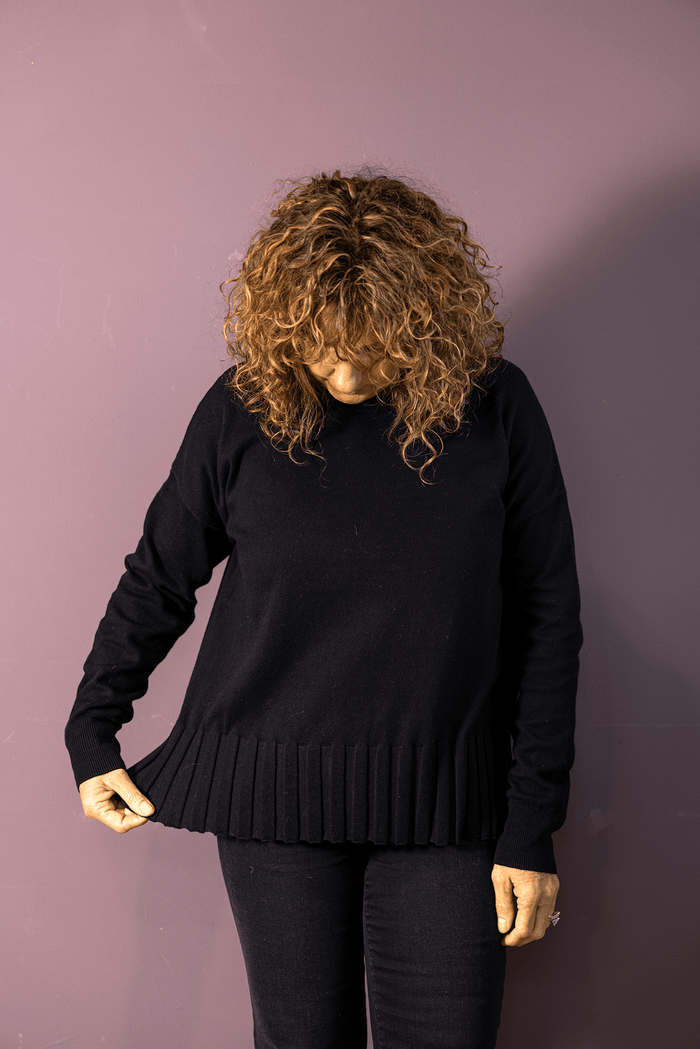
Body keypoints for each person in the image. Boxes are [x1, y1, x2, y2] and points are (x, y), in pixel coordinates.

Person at [65, 169, 582, 1049]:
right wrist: (92, 729)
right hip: (272, 800)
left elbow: (547, 620)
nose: (345, 373)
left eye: (375, 348)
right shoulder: (241, 409)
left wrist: (532, 823)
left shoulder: (498, 410)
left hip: (450, 807)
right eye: (321, 346)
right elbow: (158, 577)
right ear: (285, 322)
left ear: (425, 319)